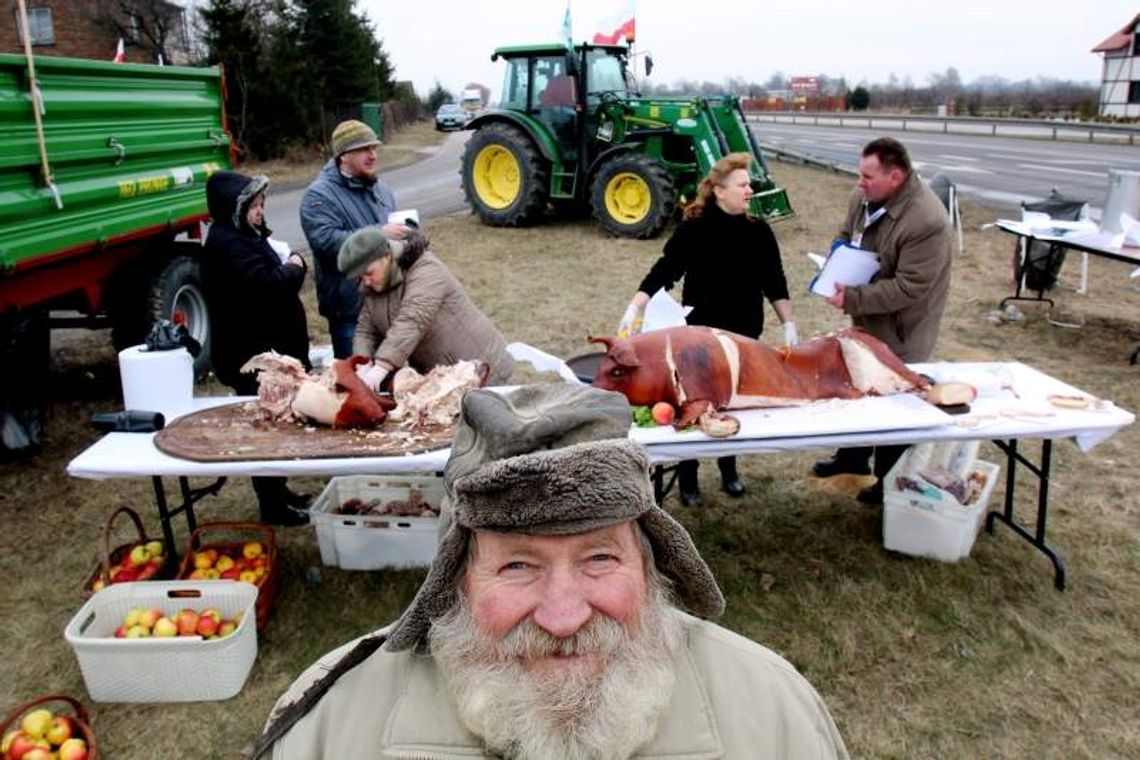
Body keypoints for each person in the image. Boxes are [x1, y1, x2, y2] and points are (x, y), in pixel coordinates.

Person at [252, 384, 849, 760]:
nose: (564, 616)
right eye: (516, 564)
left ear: (651, 566)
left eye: (599, 557)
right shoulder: (330, 728)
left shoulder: (772, 714)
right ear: (455, 581)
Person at [617, 152, 797, 506]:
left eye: (749, 184)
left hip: (744, 333)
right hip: (699, 334)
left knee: (730, 401)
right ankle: (688, 476)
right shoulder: (694, 230)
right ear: (719, 190)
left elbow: (775, 281)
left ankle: (729, 470)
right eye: (742, 184)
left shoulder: (758, 232)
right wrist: (635, 305)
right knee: (694, 402)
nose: (749, 190)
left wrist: (788, 322)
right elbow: (665, 270)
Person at [813, 137, 953, 505]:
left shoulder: (928, 220)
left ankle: (890, 480)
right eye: (860, 174)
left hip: (903, 327)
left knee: (896, 401)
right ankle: (852, 457)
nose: (860, 182)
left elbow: (912, 287)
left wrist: (853, 296)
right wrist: (836, 262)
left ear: (896, 177)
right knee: (856, 385)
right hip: (865, 316)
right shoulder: (863, 197)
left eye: (868, 176)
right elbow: (847, 235)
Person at [201, 171, 311, 526]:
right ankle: (273, 506)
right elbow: (266, 286)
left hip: (267, 352)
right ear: (236, 207)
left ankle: (280, 492)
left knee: (276, 426)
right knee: (265, 432)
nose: (261, 211)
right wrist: (296, 267)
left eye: (262, 204)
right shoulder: (227, 242)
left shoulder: (243, 235)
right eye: (255, 205)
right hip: (251, 357)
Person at [336, 226, 515, 388]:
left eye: (368, 273)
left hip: (482, 367)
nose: (366, 281)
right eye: (360, 278)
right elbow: (366, 329)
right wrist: (362, 364)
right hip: (444, 377)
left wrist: (381, 367)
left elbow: (413, 319)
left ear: (386, 256)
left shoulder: (425, 268)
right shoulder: (374, 286)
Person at [300, 119, 408, 359]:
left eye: (374, 148)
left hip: (387, 303)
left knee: (389, 378)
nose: (372, 155)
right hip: (351, 310)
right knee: (356, 383)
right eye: (364, 149)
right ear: (343, 155)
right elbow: (326, 242)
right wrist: (380, 234)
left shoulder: (381, 189)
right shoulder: (318, 196)